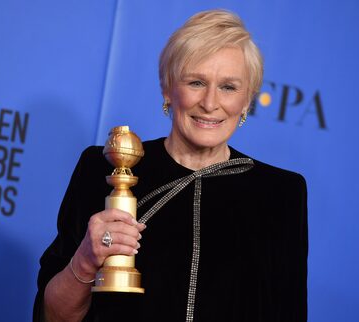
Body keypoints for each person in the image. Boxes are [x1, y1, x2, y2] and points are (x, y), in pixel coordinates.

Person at [33, 9, 308, 322]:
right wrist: (85, 259)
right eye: (196, 82)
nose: (209, 102)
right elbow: (51, 316)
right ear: (167, 89)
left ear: (247, 100)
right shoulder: (101, 168)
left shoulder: (281, 194)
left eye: (228, 87)